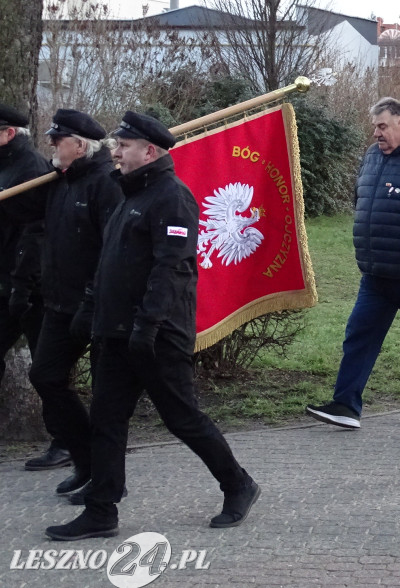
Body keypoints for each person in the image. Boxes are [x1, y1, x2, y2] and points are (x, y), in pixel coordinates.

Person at [46, 112, 259, 541]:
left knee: (183, 419)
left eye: (123, 146)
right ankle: (101, 510)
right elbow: (109, 262)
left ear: (150, 151)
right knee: (107, 421)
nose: (115, 152)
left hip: (156, 335)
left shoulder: (172, 197)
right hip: (115, 331)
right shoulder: (127, 193)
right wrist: (91, 306)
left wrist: (148, 325)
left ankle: (238, 484)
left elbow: (172, 268)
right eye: (116, 145)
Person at [307, 97, 400, 429]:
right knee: (358, 335)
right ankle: (345, 405)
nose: (376, 134)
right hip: (374, 273)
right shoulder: (372, 157)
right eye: (374, 127)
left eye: (382, 126)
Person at [29, 110, 122, 499]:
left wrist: (90, 300)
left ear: (80, 145)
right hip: (58, 303)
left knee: (106, 401)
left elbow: (112, 252)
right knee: (45, 376)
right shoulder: (60, 181)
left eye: (57, 139)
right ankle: (83, 460)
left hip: (98, 307)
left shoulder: (106, 184)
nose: (51, 144)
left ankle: (103, 479)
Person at [0, 103, 68, 471]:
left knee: (47, 366)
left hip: (32, 287)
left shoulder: (31, 171)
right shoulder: (5, 164)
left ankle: (66, 439)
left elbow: (37, 232)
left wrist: (23, 285)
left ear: (9, 133)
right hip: (4, 282)